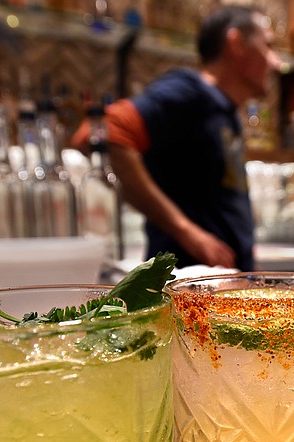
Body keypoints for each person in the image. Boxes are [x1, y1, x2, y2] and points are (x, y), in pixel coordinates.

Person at [100, 5, 280, 270]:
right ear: (236, 43)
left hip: (219, 283)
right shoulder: (190, 91)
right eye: (268, 46)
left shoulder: (225, 110)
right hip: (187, 286)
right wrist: (187, 231)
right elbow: (113, 127)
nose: (276, 62)